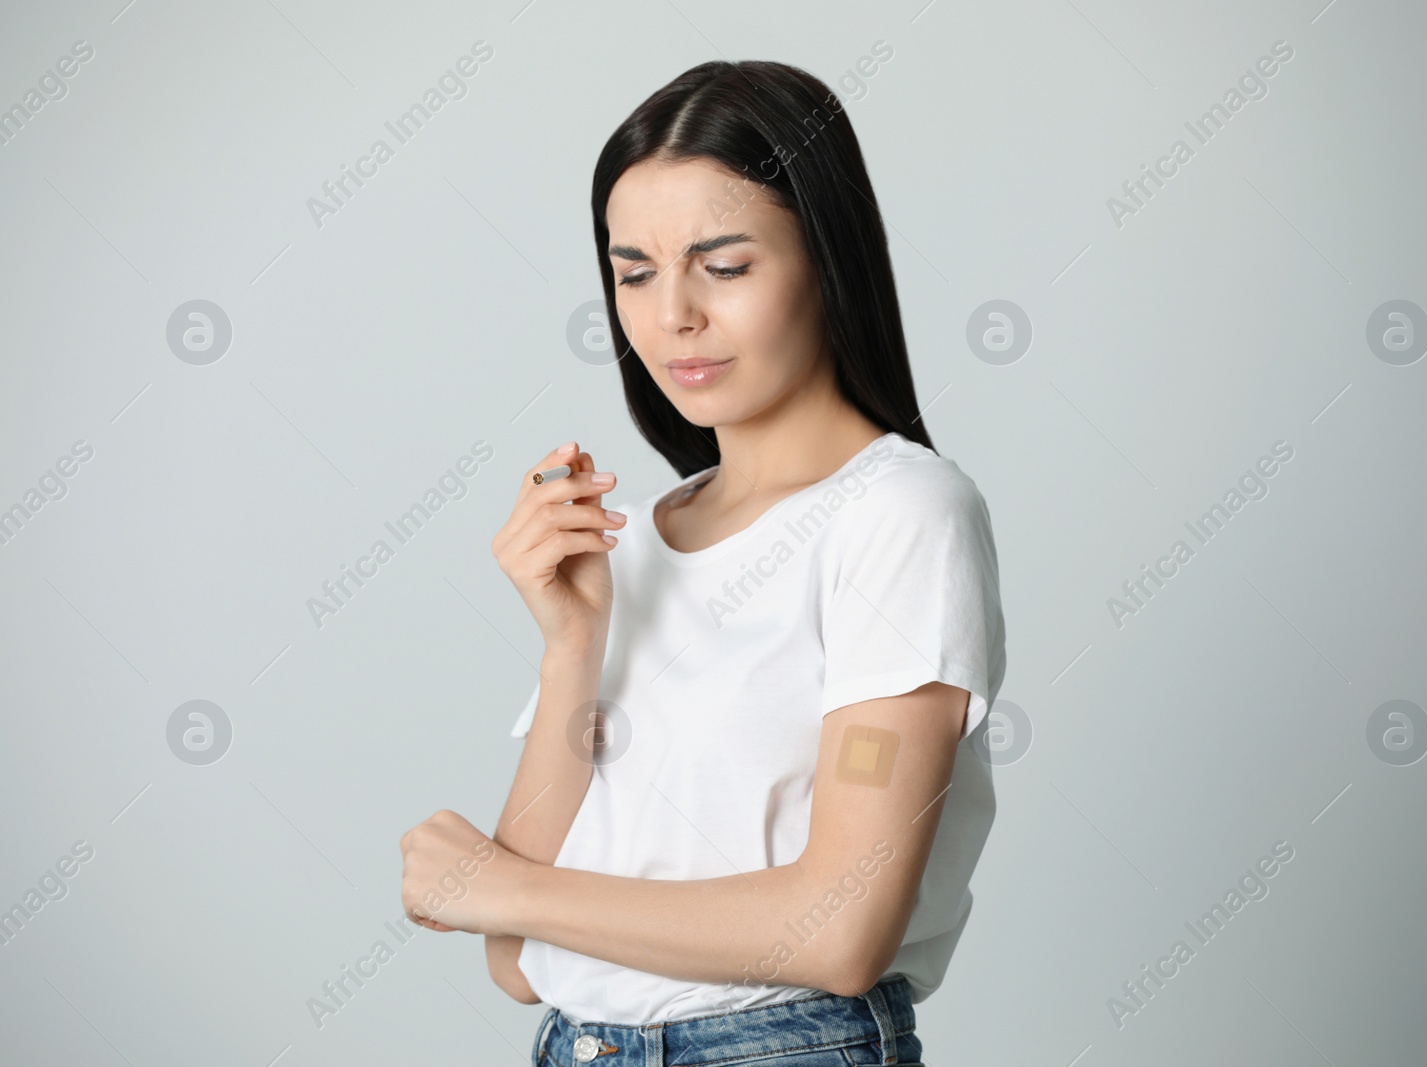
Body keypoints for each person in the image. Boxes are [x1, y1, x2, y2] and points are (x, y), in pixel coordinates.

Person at [399, 58, 1006, 1067]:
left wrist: (496, 885)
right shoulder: (627, 544)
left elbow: (839, 929)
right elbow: (516, 960)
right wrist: (570, 648)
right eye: (633, 270)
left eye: (723, 265)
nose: (670, 313)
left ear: (827, 259)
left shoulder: (900, 513)